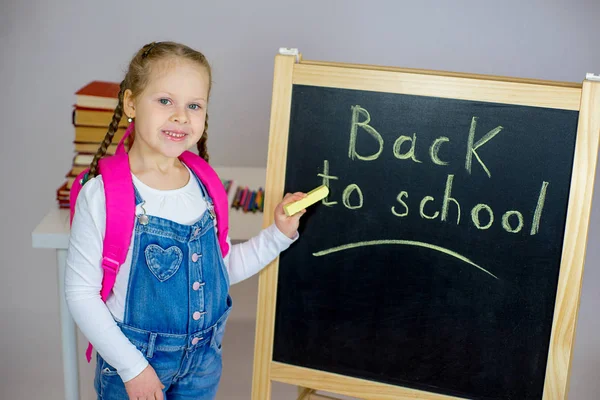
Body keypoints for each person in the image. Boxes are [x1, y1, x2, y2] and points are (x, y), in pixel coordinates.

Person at [65, 41, 306, 400]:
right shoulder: (103, 195)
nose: (181, 116)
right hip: (134, 361)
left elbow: (219, 273)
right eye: (165, 101)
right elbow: (81, 294)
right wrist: (133, 369)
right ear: (131, 103)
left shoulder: (205, 185)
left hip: (203, 364)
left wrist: (278, 235)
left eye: (194, 105)